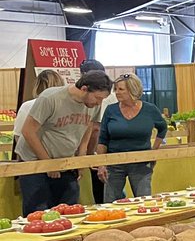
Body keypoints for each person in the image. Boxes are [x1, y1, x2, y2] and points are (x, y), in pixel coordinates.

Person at [15, 70, 111, 215]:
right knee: (38, 212)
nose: (99, 103)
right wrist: (47, 163)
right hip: (35, 163)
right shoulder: (51, 98)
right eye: (97, 98)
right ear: (84, 89)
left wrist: (81, 156)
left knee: (69, 211)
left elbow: (89, 127)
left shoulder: (94, 105)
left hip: (65, 162)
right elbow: (28, 131)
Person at [95, 73, 168, 201]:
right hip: (114, 163)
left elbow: (162, 128)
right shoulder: (111, 110)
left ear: (132, 90)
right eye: (115, 89)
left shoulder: (150, 109)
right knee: (111, 203)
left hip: (141, 163)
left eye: (121, 89)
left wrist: (154, 151)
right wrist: (101, 164)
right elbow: (103, 139)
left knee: (144, 201)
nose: (116, 92)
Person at [79, 58, 114, 204]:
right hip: (111, 149)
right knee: (111, 188)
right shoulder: (110, 96)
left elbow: (95, 128)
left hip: (99, 151)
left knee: (103, 193)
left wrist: (90, 155)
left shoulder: (98, 97)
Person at [12, 69, 64, 159]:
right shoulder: (65, 106)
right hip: (59, 158)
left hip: (32, 159)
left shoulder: (27, 106)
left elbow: (18, 134)